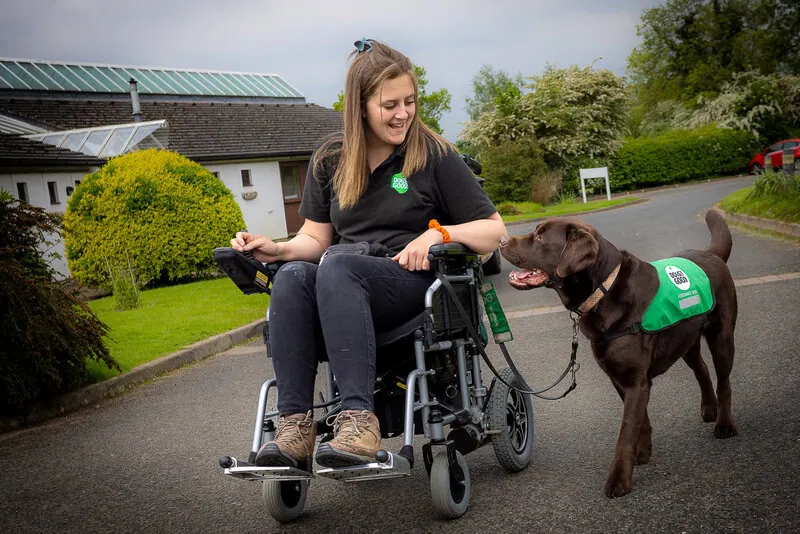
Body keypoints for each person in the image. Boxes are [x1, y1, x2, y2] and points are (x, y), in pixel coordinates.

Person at [230, 39, 507, 469]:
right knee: (292, 276)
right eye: (390, 104)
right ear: (360, 107)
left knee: (337, 266)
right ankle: (294, 429)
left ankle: (358, 422)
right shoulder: (331, 161)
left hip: (410, 283)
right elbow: (315, 240)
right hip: (343, 286)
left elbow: (494, 230)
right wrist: (279, 248)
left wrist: (436, 235)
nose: (403, 114)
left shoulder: (434, 156)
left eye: (410, 101)